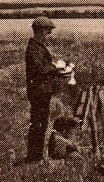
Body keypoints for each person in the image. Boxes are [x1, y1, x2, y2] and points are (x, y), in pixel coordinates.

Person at [24, 16, 70, 162]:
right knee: (38, 123)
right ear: (39, 31)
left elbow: (43, 67)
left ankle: (36, 155)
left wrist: (56, 70)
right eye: (47, 32)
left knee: (41, 123)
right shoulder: (33, 48)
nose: (48, 35)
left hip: (42, 90)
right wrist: (56, 70)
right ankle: (35, 156)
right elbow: (39, 68)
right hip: (39, 91)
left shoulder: (38, 47)